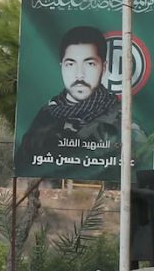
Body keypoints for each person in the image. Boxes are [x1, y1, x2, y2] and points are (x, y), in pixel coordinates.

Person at [19, 25, 131, 172]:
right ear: (61, 67)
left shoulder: (118, 115)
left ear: (103, 68)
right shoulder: (47, 114)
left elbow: (136, 161)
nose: (79, 75)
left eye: (90, 64)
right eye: (70, 64)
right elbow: (23, 163)